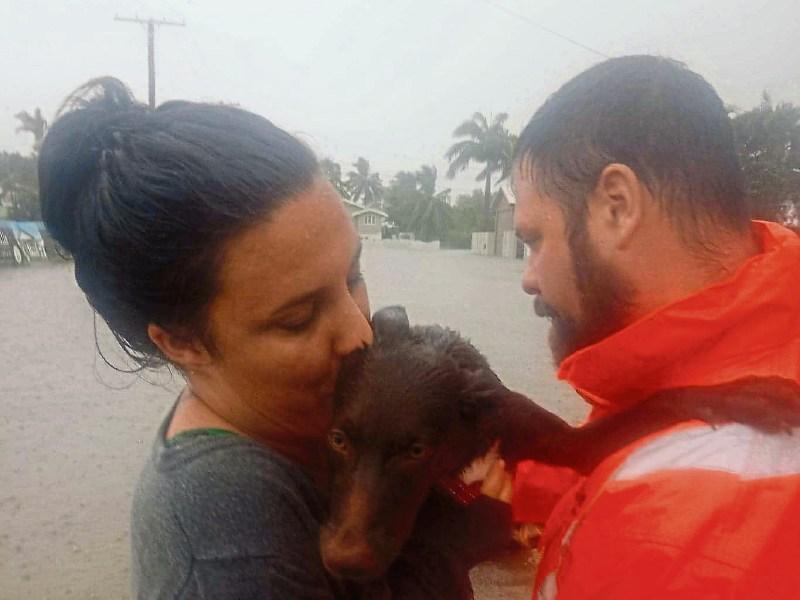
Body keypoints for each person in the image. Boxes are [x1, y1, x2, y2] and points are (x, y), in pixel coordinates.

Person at [38, 78, 511, 600]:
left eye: (352, 276)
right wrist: (458, 538)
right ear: (182, 341)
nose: (360, 332)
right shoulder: (234, 559)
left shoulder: (306, 420)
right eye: (299, 318)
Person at [510, 55, 800, 599]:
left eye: (534, 240)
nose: (528, 278)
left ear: (616, 206)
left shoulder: (658, 543)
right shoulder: (734, 379)